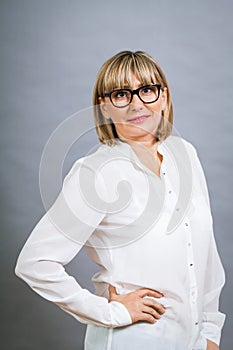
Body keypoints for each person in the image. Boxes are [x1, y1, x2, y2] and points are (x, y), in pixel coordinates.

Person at [15, 50, 225, 350]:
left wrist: (209, 333)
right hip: (135, 339)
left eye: (147, 90)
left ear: (163, 97)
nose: (137, 103)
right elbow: (34, 263)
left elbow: (207, 256)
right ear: (104, 108)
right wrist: (108, 311)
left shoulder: (185, 154)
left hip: (192, 341)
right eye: (121, 94)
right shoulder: (95, 173)